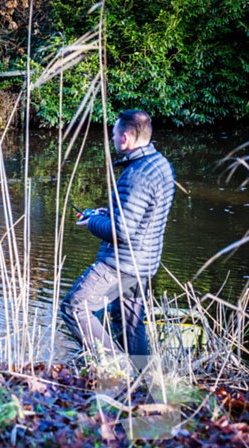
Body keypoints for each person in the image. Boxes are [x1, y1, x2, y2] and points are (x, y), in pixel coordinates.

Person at [60, 110, 175, 368]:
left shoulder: (136, 175)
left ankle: (117, 367)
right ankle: (143, 382)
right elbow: (143, 214)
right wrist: (108, 212)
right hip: (143, 265)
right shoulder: (161, 164)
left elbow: (121, 232)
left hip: (120, 265)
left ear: (124, 138)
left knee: (74, 307)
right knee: (129, 324)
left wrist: (92, 221)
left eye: (113, 135)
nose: (111, 139)